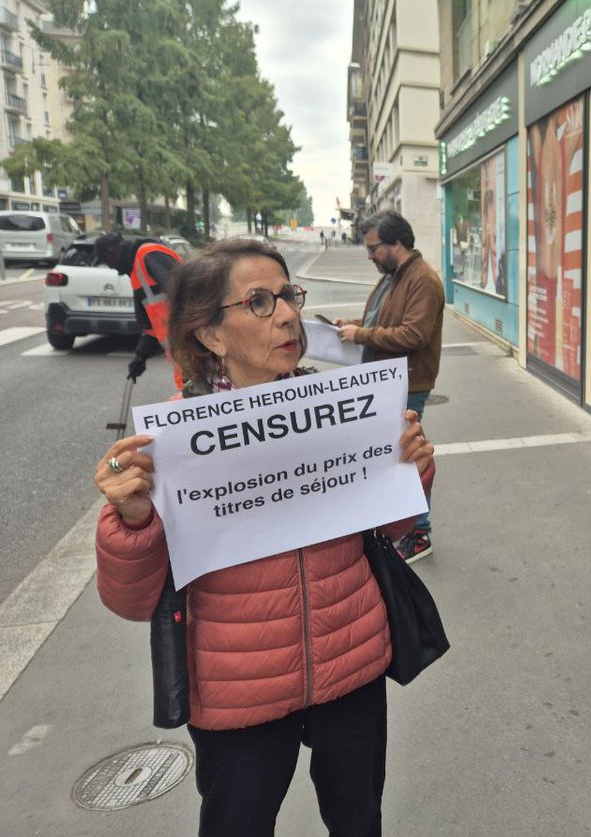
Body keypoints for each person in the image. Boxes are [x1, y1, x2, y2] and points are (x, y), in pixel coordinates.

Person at [93, 238, 437, 837]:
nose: (286, 315)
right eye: (258, 301)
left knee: (359, 820)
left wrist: (411, 469)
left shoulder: (345, 411)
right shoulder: (170, 448)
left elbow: (395, 529)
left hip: (351, 663)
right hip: (238, 690)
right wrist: (132, 521)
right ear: (209, 336)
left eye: (287, 296)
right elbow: (130, 600)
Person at [336, 211, 445, 562]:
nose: (369, 256)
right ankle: (402, 526)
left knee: (408, 458)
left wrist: (362, 334)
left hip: (407, 383)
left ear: (396, 243)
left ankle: (420, 533)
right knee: (394, 457)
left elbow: (414, 334)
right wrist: (352, 325)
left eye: (373, 248)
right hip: (388, 381)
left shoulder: (422, 279)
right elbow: (385, 321)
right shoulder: (396, 275)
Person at [94, 230, 184, 387]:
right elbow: (151, 325)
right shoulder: (136, 272)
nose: (109, 267)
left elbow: (186, 292)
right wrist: (140, 356)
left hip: (196, 352)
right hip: (185, 358)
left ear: (112, 251)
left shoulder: (148, 254)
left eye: (105, 260)